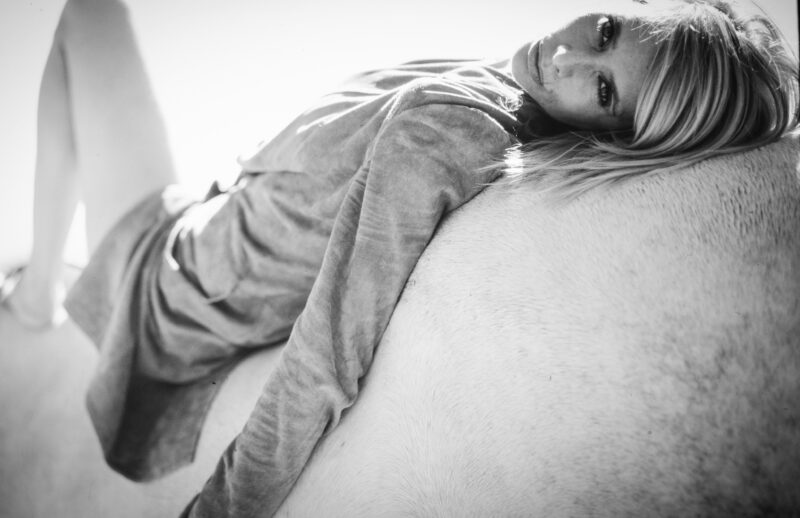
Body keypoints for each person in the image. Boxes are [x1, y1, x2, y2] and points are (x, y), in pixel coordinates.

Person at [0, 0, 796, 516]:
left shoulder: (450, 133)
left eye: (604, 90)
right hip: (199, 222)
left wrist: (222, 508)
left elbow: (330, 348)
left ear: (613, 134)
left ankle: (36, 295)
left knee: (87, 15)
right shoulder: (501, 89)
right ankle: (39, 287)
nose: (567, 59)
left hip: (168, 284)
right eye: (608, 33)